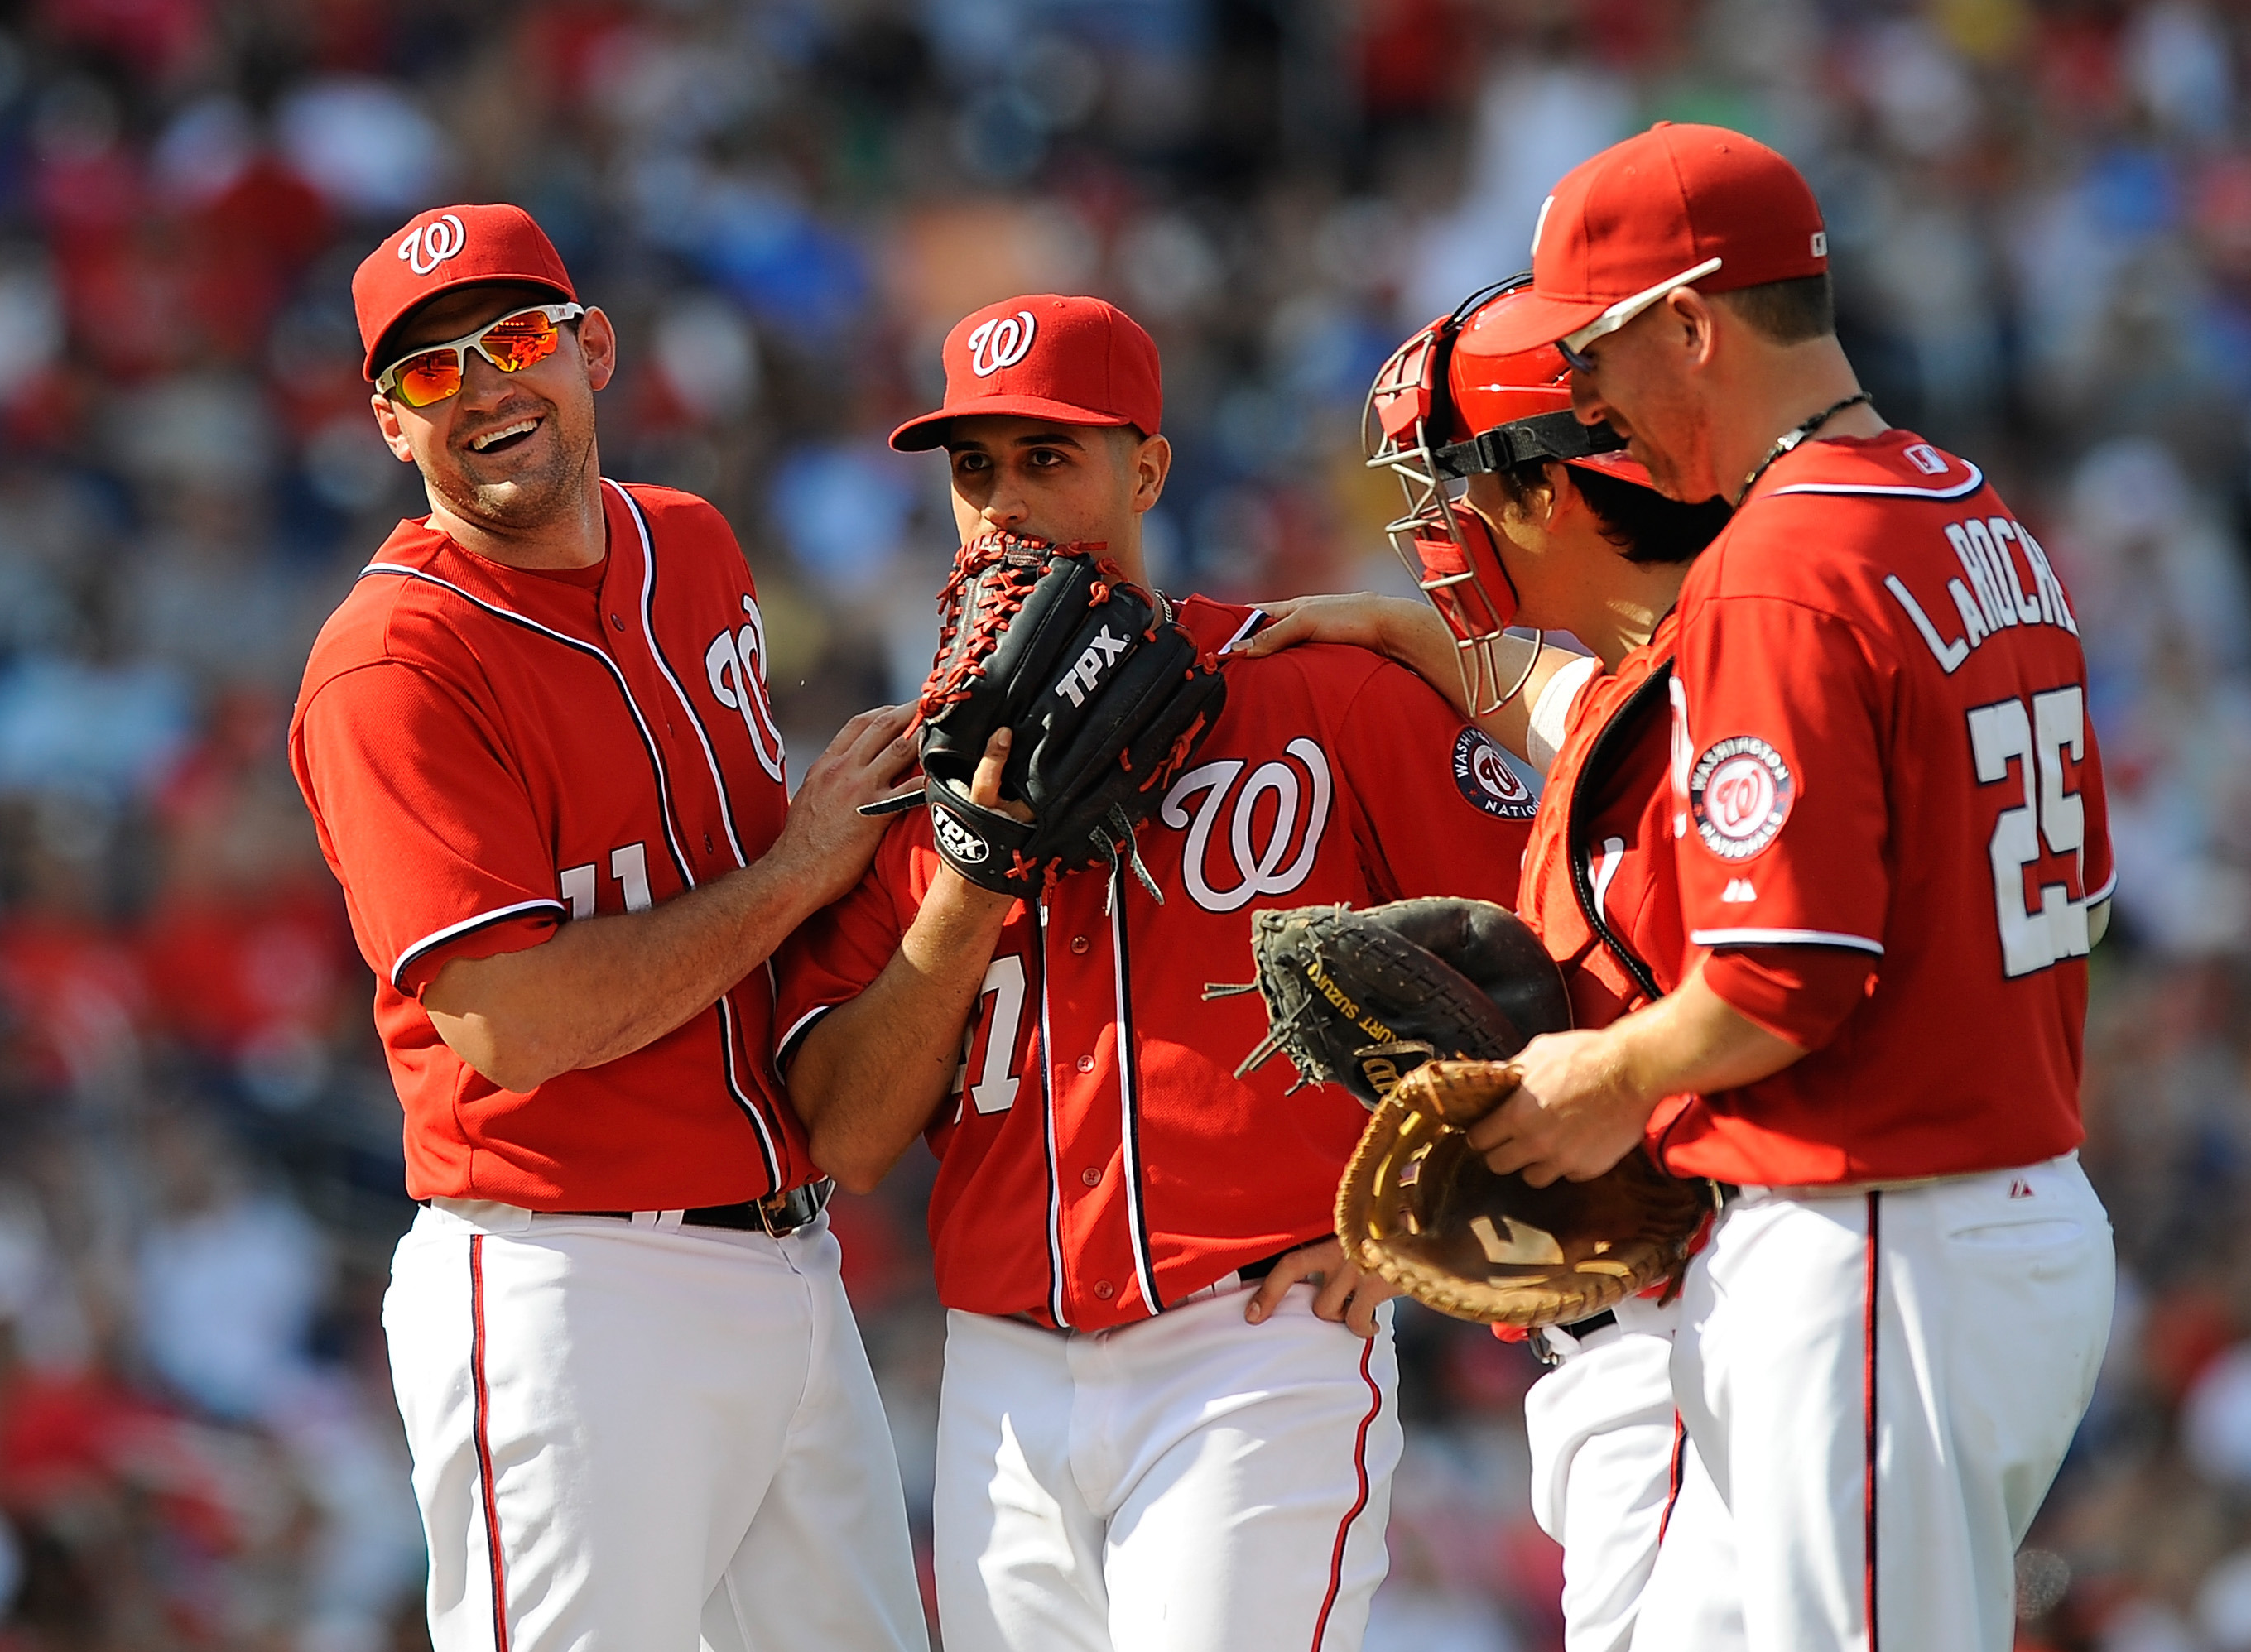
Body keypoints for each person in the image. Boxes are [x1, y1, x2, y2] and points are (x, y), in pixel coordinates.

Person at [772, 293, 1539, 1652]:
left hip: (1250, 1343)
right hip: (1000, 1381)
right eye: (973, 470)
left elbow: (1553, 954)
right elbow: (844, 1129)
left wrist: (1418, 1206)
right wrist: (969, 870)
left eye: (1045, 459)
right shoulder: (903, 773)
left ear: (1147, 467)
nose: (1002, 504)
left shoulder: (1312, 685)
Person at [1448, 124, 2119, 1650]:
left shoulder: (1774, 565)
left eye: (1598, 353)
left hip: (1879, 1233)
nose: (1588, 404)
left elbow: (1779, 977)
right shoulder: (1974, 516)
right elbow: (2075, 903)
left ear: (1689, 321)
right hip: (1983, 1219)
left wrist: (1598, 1069)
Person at [286, 203, 928, 1652]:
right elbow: (516, 1021)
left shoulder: (690, 545)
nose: (484, 390)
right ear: (393, 426)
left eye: (513, 342)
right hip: (569, 1285)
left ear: (593, 350)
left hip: (791, 1261)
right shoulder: (390, 662)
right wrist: (806, 868)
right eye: (433, 373)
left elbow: (766, 867)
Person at [1243, 276, 1741, 1651]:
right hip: (1664, 1343)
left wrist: (1553, 1103)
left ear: (1554, 490)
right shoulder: (1681, 676)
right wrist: (1401, 632)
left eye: (1453, 485)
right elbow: (1563, 701)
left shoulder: (1733, 697)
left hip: (1710, 1336)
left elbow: (1785, 999)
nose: (1431, 528)